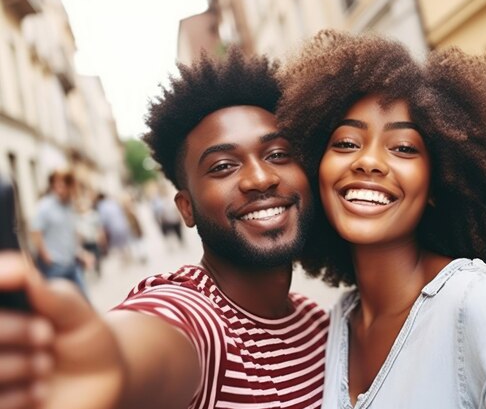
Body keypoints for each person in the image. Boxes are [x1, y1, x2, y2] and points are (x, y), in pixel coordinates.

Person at [0, 48, 328, 409]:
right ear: (186, 208)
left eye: (278, 155)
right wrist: (102, 365)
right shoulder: (196, 316)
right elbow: (147, 342)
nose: (260, 178)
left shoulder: (319, 323)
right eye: (222, 166)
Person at [278, 30, 486, 408]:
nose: (368, 161)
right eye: (347, 143)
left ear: (438, 182)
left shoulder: (477, 301)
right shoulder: (339, 322)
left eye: (403, 148)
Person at [30, 170, 88, 295]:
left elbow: (70, 232)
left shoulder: (69, 206)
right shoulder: (45, 206)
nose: (59, 188)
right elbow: (35, 232)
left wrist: (80, 252)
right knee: (63, 305)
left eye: (63, 184)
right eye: (56, 184)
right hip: (54, 266)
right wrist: (46, 256)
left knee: (84, 301)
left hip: (71, 262)